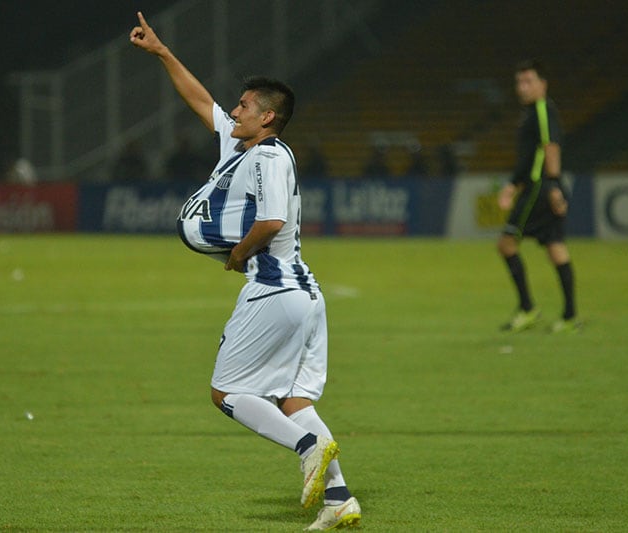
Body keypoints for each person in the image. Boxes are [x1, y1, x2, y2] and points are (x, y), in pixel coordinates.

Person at [130, 11, 361, 530]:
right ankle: (340, 499)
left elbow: (271, 219)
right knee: (294, 398)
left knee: (227, 393)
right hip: (303, 294)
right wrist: (163, 54)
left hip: (275, 289)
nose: (232, 111)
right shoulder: (241, 144)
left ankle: (306, 447)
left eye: (243, 107)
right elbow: (200, 102)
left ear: (268, 119)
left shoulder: (270, 156)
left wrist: (236, 255)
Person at [497, 59, 578, 333]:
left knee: (507, 244)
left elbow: (550, 147)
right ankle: (569, 316)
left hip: (540, 189)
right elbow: (531, 157)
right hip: (538, 186)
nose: (523, 87)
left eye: (529, 81)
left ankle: (528, 308)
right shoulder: (533, 112)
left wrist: (553, 185)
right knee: (555, 247)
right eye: (519, 82)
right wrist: (511, 184)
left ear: (543, 84)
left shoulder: (542, 110)